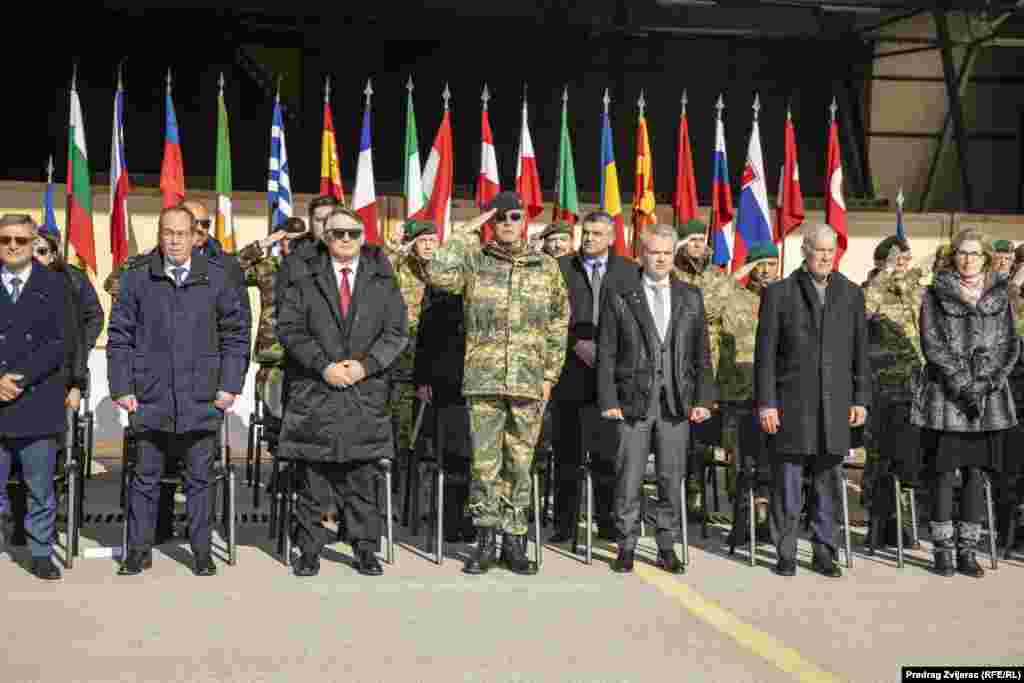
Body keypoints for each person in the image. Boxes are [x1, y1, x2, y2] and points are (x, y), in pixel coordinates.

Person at [426, 192, 569, 575]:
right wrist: (467, 230)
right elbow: (437, 273)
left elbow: (558, 323)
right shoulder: (475, 260)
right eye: (500, 217)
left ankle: (515, 541)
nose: (507, 223)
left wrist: (550, 375)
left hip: (528, 381)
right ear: (492, 221)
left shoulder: (547, 266)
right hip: (484, 380)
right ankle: (486, 540)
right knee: (485, 465)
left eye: (514, 216)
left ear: (525, 221)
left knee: (520, 465)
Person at [108, 205, 250, 576]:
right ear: (160, 234)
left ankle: (202, 553)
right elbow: (120, 337)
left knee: (201, 480)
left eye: (181, 233)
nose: (173, 239)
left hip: (201, 397)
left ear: (194, 236)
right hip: (150, 397)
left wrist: (229, 387)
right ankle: (138, 552)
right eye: (167, 232)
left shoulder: (217, 279)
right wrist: (122, 387)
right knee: (144, 479)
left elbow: (235, 336)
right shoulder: (138, 279)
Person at [276, 207, 408, 578]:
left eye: (352, 233)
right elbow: (290, 329)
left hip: (364, 392)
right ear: (325, 237)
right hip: (317, 391)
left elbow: (396, 332)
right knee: (313, 478)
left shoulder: (382, 279)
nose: (345, 239)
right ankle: (309, 550)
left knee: (361, 478)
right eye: (337, 233)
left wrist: (365, 366)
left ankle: (365, 548)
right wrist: (324, 366)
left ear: (363, 237)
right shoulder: (305, 276)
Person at [755, 223, 870, 578]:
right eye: (818, 249)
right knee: (788, 484)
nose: (825, 256)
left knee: (828, 484)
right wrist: (767, 403)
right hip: (791, 405)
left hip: (836, 406)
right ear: (805, 250)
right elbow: (765, 355)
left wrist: (860, 398)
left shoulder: (850, 294)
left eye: (830, 250)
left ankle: (824, 551)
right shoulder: (780, 293)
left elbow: (859, 353)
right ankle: (786, 552)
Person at [597, 224, 713, 574]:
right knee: (628, 478)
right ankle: (627, 545)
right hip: (632, 400)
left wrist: (704, 399)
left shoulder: (690, 295)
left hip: (677, 402)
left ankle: (666, 546)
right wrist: (608, 398)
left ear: (672, 254)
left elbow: (702, 354)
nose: (660, 259)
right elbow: (606, 351)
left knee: (670, 478)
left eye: (666, 252)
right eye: (653, 252)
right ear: (641, 253)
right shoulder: (619, 291)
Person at [911, 227, 1020, 578]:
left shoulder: (1001, 295)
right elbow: (932, 344)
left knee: (976, 474)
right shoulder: (934, 295)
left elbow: (1009, 345)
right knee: (944, 472)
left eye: (975, 253)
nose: (968, 259)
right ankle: (942, 549)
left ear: (985, 258)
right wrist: (962, 383)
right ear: (953, 255)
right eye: (962, 252)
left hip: (989, 399)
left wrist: (988, 382)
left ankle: (967, 550)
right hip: (947, 397)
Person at [548, 211, 634, 543]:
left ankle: (607, 520)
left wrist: (609, 351)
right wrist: (575, 343)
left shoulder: (628, 271)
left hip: (611, 378)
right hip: (570, 371)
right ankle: (564, 523)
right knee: (567, 453)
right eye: (586, 233)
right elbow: (548, 315)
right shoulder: (561, 267)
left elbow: (635, 319)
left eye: (597, 233)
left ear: (611, 238)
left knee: (607, 453)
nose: (589, 239)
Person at [0, 215, 70, 580]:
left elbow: (60, 343)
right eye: (5, 239)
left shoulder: (55, 284)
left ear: (32, 243)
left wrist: (19, 379)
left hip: (36, 398)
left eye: (21, 240)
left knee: (40, 489)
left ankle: (41, 553)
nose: (12, 246)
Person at [861, 235, 923, 550]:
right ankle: (876, 522)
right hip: (881, 389)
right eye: (897, 260)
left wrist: (906, 282)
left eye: (906, 260)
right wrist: (884, 275)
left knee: (906, 458)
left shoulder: (912, 291)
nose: (902, 266)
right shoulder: (870, 289)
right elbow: (863, 313)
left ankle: (904, 523)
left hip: (914, 388)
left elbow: (923, 316)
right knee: (878, 458)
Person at [719, 241, 779, 545]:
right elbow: (707, 303)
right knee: (739, 462)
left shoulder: (785, 296)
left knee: (772, 461)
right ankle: (741, 520)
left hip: (775, 396)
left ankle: (767, 520)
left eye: (772, 264)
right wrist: (735, 275)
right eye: (761, 264)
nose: (767, 271)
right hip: (737, 393)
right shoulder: (734, 296)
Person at [383, 219, 440, 524]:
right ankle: (397, 500)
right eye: (424, 240)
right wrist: (400, 249)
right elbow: (377, 269)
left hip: (433, 365)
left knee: (428, 439)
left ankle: (422, 502)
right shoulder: (400, 267)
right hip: (400, 366)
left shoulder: (444, 269)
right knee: (401, 435)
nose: (430, 245)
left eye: (434, 239)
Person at [236, 216, 308, 444]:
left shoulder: (314, 266)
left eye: (297, 240)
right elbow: (231, 269)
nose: (291, 245)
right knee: (274, 419)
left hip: (307, 352)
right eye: (286, 239)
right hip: (273, 352)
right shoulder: (267, 267)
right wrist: (263, 244)